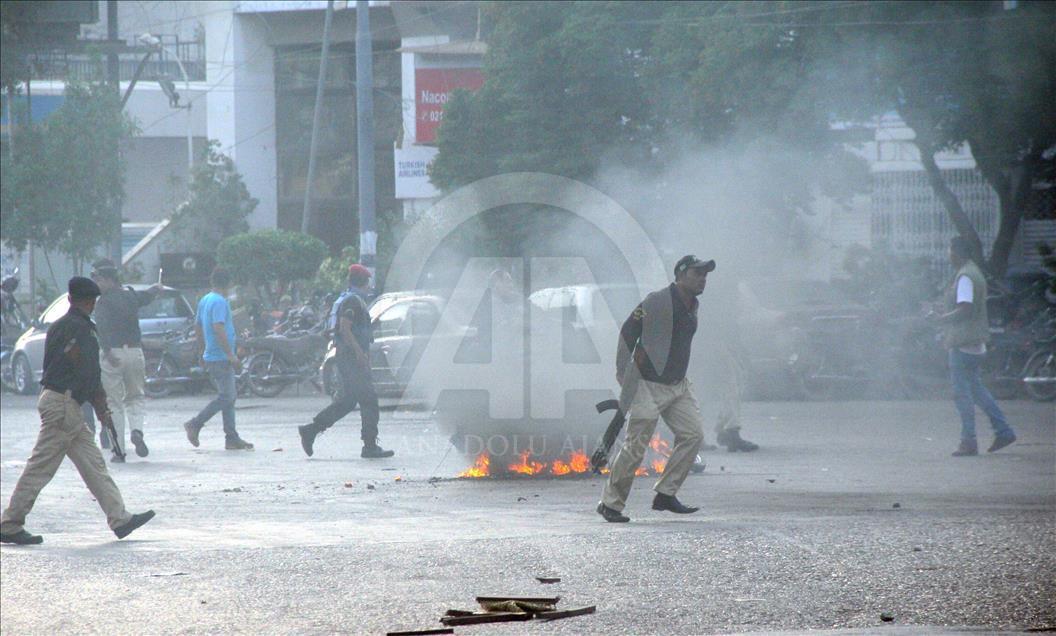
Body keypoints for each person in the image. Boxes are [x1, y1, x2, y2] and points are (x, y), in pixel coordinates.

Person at [0, 277, 155, 545]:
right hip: (64, 404)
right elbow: (89, 373)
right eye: (92, 302)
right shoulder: (84, 330)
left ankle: (119, 518)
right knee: (40, 468)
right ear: (91, 302)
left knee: (94, 465)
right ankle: (10, 523)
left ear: (70, 299)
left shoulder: (58, 326)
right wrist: (101, 407)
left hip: (57, 400)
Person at [597, 255, 713, 523]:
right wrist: (621, 369)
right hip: (647, 384)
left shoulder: (692, 304)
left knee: (693, 434)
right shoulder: (658, 301)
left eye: (705, 274)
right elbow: (629, 331)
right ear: (680, 275)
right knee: (635, 446)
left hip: (678, 385)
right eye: (697, 273)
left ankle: (665, 494)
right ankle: (610, 504)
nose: (703, 278)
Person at [930, 236, 1015, 457]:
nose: (948, 255)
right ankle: (1003, 430)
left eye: (949, 250)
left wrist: (942, 319)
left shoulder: (966, 276)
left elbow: (965, 308)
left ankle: (969, 441)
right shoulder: (972, 272)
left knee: (962, 394)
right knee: (977, 390)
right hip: (974, 342)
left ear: (957, 252)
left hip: (963, 342)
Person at [298, 264, 393, 459]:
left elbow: (337, 328)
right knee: (369, 401)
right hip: (351, 358)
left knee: (348, 401)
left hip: (345, 355)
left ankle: (311, 430)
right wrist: (359, 352)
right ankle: (369, 446)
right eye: (368, 283)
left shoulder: (345, 298)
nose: (369, 287)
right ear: (364, 282)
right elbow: (344, 328)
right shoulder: (353, 301)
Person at [90, 259, 161, 462]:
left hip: (112, 354)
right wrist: (155, 289)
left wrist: (107, 352)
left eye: (98, 280)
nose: (97, 285)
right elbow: (145, 297)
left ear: (108, 280)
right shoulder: (130, 296)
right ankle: (137, 430)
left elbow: (100, 329)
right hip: (135, 353)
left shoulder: (102, 302)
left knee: (113, 403)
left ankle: (119, 450)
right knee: (136, 396)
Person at [182, 268, 254, 450]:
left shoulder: (205, 300)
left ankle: (231, 437)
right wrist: (231, 354)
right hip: (221, 355)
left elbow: (197, 326)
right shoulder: (220, 302)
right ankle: (195, 423)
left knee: (229, 396)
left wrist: (201, 351)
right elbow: (218, 327)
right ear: (228, 284)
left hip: (212, 354)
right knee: (227, 396)